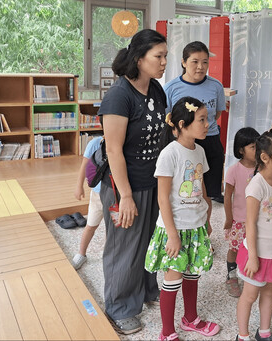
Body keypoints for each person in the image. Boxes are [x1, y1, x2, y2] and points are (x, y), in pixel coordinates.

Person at [97, 28, 168, 334]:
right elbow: (113, 149)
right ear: (139, 59)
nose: (165, 61)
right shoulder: (118, 96)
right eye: (159, 56)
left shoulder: (156, 89)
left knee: (151, 240)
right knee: (125, 245)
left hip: (153, 182)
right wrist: (125, 196)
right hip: (124, 186)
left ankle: (145, 290)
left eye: (165, 55)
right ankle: (119, 306)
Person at [145, 96, 220, 341]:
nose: (207, 123)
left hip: (196, 226)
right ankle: (166, 332)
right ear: (182, 124)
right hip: (174, 229)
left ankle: (190, 319)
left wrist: (207, 218)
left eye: (207, 119)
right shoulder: (169, 154)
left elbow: (202, 190)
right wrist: (173, 235)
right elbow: (163, 199)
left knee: (192, 273)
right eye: (201, 119)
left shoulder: (199, 150)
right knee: (173, 278)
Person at [235, 128, 272, 341]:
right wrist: (252, 256)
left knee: (269, 293)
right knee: (249, 296)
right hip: (258, 255)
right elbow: (249, 224)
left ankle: (264, 332)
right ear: (265, 158)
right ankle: (242, 336)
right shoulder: (257, 185)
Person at [164, 41, 226, 203]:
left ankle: (206, 223)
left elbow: (216, 113)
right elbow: (168, 118)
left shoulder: (216, 86)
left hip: (210, 139)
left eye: (205, 62)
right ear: (184, 62)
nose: (200, 66)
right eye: (195, 62)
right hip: (183, 143)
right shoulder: (171, 88)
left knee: (209, 191)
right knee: (187, 187)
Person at [223, 127, 260, 297]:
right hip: (239, 219)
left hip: (258, 219)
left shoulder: (262, 169)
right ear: (241, 150)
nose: (257, 150)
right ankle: (231, 276)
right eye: (253, 147)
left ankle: (250, 274)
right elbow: (228, 196)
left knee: (254, 247)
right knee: (235, 248)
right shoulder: (234, 170)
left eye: (258, 146)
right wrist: (229, 218)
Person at [72, 135, 104, 269]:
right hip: (97, 193)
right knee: (91, 225)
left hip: (115, 195)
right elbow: (84, 165)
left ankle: (109, 256)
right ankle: (81, 253)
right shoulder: (95, 143)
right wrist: (79, 186)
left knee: (113, 229)